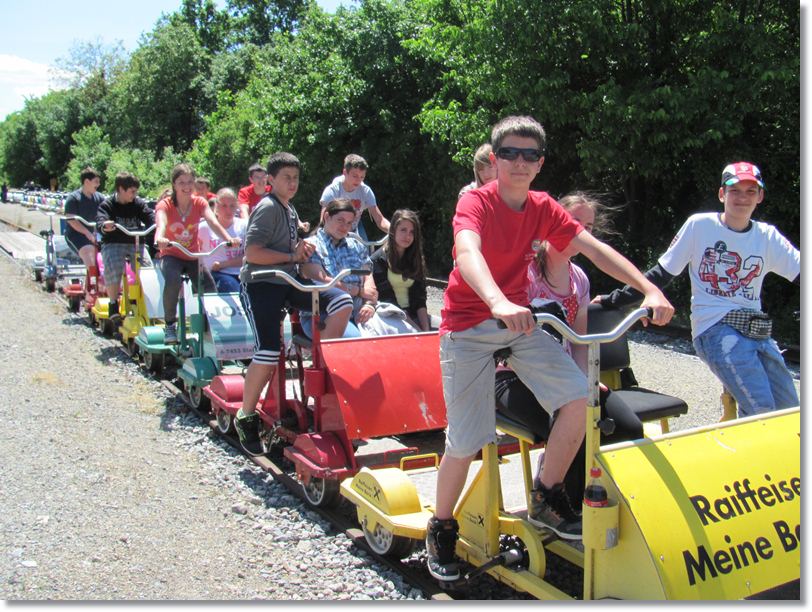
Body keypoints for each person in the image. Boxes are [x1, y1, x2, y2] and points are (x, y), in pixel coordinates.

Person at [425, 115, 674, 582]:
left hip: (519, 325)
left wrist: (649, 289)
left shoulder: (541, 207)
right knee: (466, 440)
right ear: (495, 159)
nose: (520, 163)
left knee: (580, 398)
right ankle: (440, 527)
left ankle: (546, 493)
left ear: (540, 163)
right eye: (510, 154)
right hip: (469, 327)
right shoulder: (476, 202)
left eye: (530, 155)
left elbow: (594, 250)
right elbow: (468, 252)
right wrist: (497, 300)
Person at [598, 161, 800, 418]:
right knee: (761, 409)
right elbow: (662, 273)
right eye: (735, 190)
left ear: (760, 196)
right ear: (722, 194)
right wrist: (612, 301)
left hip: (755, 330)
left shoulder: (767, 236)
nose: (742, 198)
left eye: (750, 191)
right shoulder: (700, 226)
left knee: (791, 413)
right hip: (716, 327)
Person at [494, 192, 644, 515]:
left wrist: (586, 381)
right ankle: (560, 507)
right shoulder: (526, 273)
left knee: (626, 425)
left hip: (562, 376)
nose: (580, 233)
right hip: (514, 375)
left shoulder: (579, 279)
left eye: (588, 227)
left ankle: (614, 504)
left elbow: (579, 341)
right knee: (575, 427)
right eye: (574, 223)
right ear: (553, 222)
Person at [233, 153, 354, 456]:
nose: (292, 183)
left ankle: (322, 367)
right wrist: (292, 256)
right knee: (268, 350)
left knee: (340, 300)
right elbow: (252, 253)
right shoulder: (267, 207)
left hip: (287, 281)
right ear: (270, 180)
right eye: (286, 177)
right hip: (261, 284)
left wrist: (301, 246)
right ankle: (245, 416)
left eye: (296, 178)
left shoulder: (288, 208)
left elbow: (289, 245)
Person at [154, 164, 239, 344]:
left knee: (208, 286)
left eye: (190, 182)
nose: (186, 186)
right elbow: (161, 223)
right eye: (181, 182)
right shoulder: (165, 205)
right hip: (171, 253)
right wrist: (160, 238)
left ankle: (211, 323)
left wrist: (228, 239)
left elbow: (213, 222)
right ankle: (170, 324)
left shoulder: (199, 203)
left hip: (192, 255)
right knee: (173, 280)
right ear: (174, 184)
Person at [299, 198, 377, 338]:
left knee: (394, 333)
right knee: (356, 341)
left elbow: (369, 280)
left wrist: (369, 304)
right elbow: (322, 281)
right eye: (340, 220)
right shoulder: (311, 246)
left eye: (349, 223)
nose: (345, 227)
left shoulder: (356, 246)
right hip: (324, 313)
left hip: (358, 309)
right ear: (326, 217)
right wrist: (358, 291)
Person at [95, 172, 156, 323]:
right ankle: (113, 303)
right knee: (114, 267)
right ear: (121, 189)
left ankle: (148, 302)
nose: (134, 195)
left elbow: (150, 216)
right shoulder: (107, 205)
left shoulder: (138, 204)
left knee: (148, 269)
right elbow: (100, 220)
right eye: (132, 191)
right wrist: (105, 225)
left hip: (135, 242)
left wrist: (156, 223)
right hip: (114, 242)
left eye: (136, 192)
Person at [370, 209, 431, 331]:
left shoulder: (415, 258)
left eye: (411, 232)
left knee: (444, 331)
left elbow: (420, 298)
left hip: (413, 314)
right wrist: (416, 330)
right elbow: (388, 299)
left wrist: (426, 330)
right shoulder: (378, 260)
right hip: (391, 315)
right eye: (403, 230)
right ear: (393, 230)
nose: (407, 236)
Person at [319, 154, 389, 241]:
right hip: (334, 233)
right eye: (355, 176)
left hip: (354, 231)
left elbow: (379, 219)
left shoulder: (365, 191)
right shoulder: (332, 191)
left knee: (364, 248)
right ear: (345, 172)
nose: (358, 180)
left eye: (362, 177)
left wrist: (394, 232)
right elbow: (324, 220)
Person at [198, 188, 246, 293]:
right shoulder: (203, 228)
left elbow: (249, 255)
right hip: (216, 274)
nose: (228, 210)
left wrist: (223, 264)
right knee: (230, 287)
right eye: (224, 206)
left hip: (242, 273)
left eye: (232, 206)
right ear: (216, 206)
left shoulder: (244, 226)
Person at [64, 167, 104, 271]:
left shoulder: (100, 198)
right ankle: (94, 277)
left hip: (96, 234)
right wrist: (87, 233)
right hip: (77, 235)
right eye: (96, 182)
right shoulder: (73, 198)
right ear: (86, 182)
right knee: (88, 251)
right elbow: (71, 220)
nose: (98, 184)